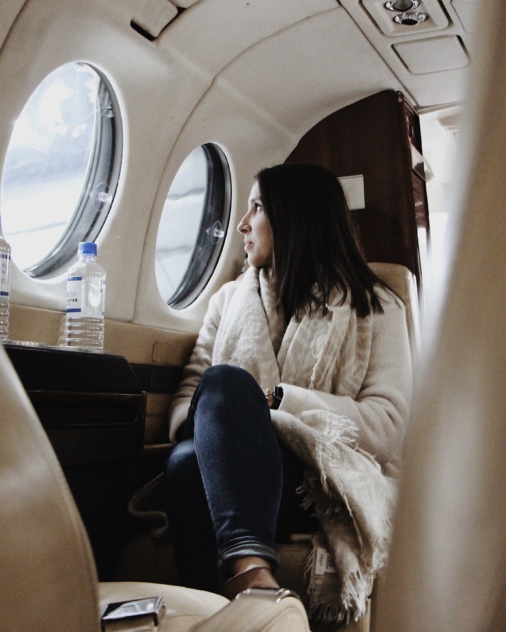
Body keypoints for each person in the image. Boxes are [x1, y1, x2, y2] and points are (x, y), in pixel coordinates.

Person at [164, 163, 412, 621]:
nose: (242, 224)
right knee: (185, 458)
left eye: (256, 207)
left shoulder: (375, 307)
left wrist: (276, 403)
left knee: (222, 398)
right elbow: (189, 393)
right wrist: (211, 421)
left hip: (314, 484)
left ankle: (246, 587)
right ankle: (248, 587)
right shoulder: (226, 301)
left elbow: (388, 425)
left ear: (296, 218)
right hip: (229, 473)